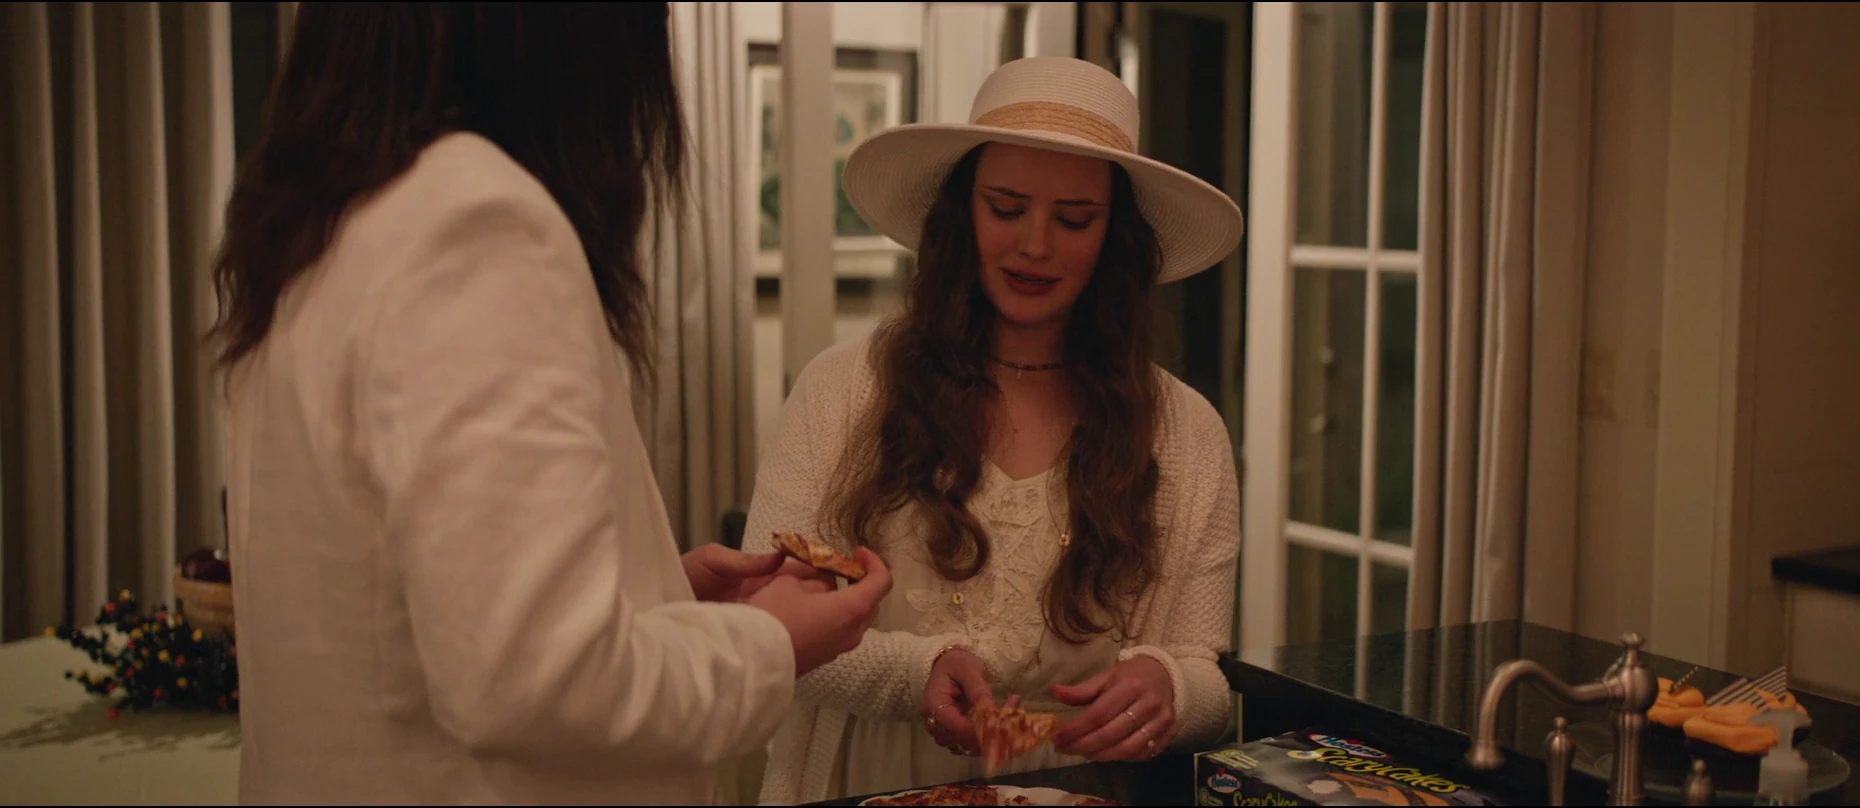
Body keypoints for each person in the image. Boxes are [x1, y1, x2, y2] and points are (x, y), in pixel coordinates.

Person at [207, 4, 891, 804]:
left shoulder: (322, 224)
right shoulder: (474, 224)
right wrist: (769, 641)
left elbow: (402, 606)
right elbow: (537, 682)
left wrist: (653, 595)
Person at [746, 57, 1246, 805]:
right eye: (1007, 209)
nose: (1036, 245)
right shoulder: (844, 391)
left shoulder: (1187, 433)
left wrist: (1168, 686)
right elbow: (767, 631)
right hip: (868, 777)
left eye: (1074, 220)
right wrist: (915, 673)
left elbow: (1208, 679)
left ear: (1115, 237)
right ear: (961, 214)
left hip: (1079, 787)